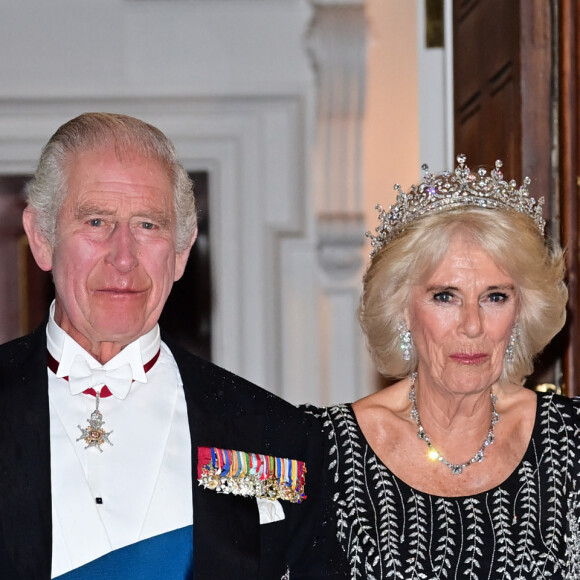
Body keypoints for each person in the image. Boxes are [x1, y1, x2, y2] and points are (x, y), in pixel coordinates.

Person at [0, 112, 344, 579]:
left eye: (148, 225)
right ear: (41, 238)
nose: (124, 258)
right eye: (97, 220)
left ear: (181, 252)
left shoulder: (274, 435)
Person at [307, 155, 580, 578]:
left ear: (522, 312)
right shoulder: (325, 452)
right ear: (401, 310)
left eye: (495, 297)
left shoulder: (572, 442)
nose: (472, 325)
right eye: (445, 296)